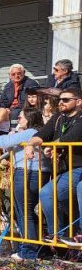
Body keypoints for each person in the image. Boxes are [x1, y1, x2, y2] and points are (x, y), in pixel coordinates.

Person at [27, 87, 82, 241]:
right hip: (65, 169)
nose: (61, 103)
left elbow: (71, 138)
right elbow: (42, 134)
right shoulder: (58, 117)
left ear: (78, 102)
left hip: (78, 167)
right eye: (60, 99)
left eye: (65, 100)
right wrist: (31, 144)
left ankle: (79, 234)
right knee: (47, 194)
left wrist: (51, 146)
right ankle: (57, 234)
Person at [0, 109, 47, 259]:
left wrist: (5, 138)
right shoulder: (37, 131)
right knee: (28, 211)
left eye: (21, 117)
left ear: (29, 118)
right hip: (38, 172)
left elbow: (2, 142)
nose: (18, 119)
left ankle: (29, 250)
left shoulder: (31, 131)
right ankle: (37, 248)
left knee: (24, 212)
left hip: (27, 171)